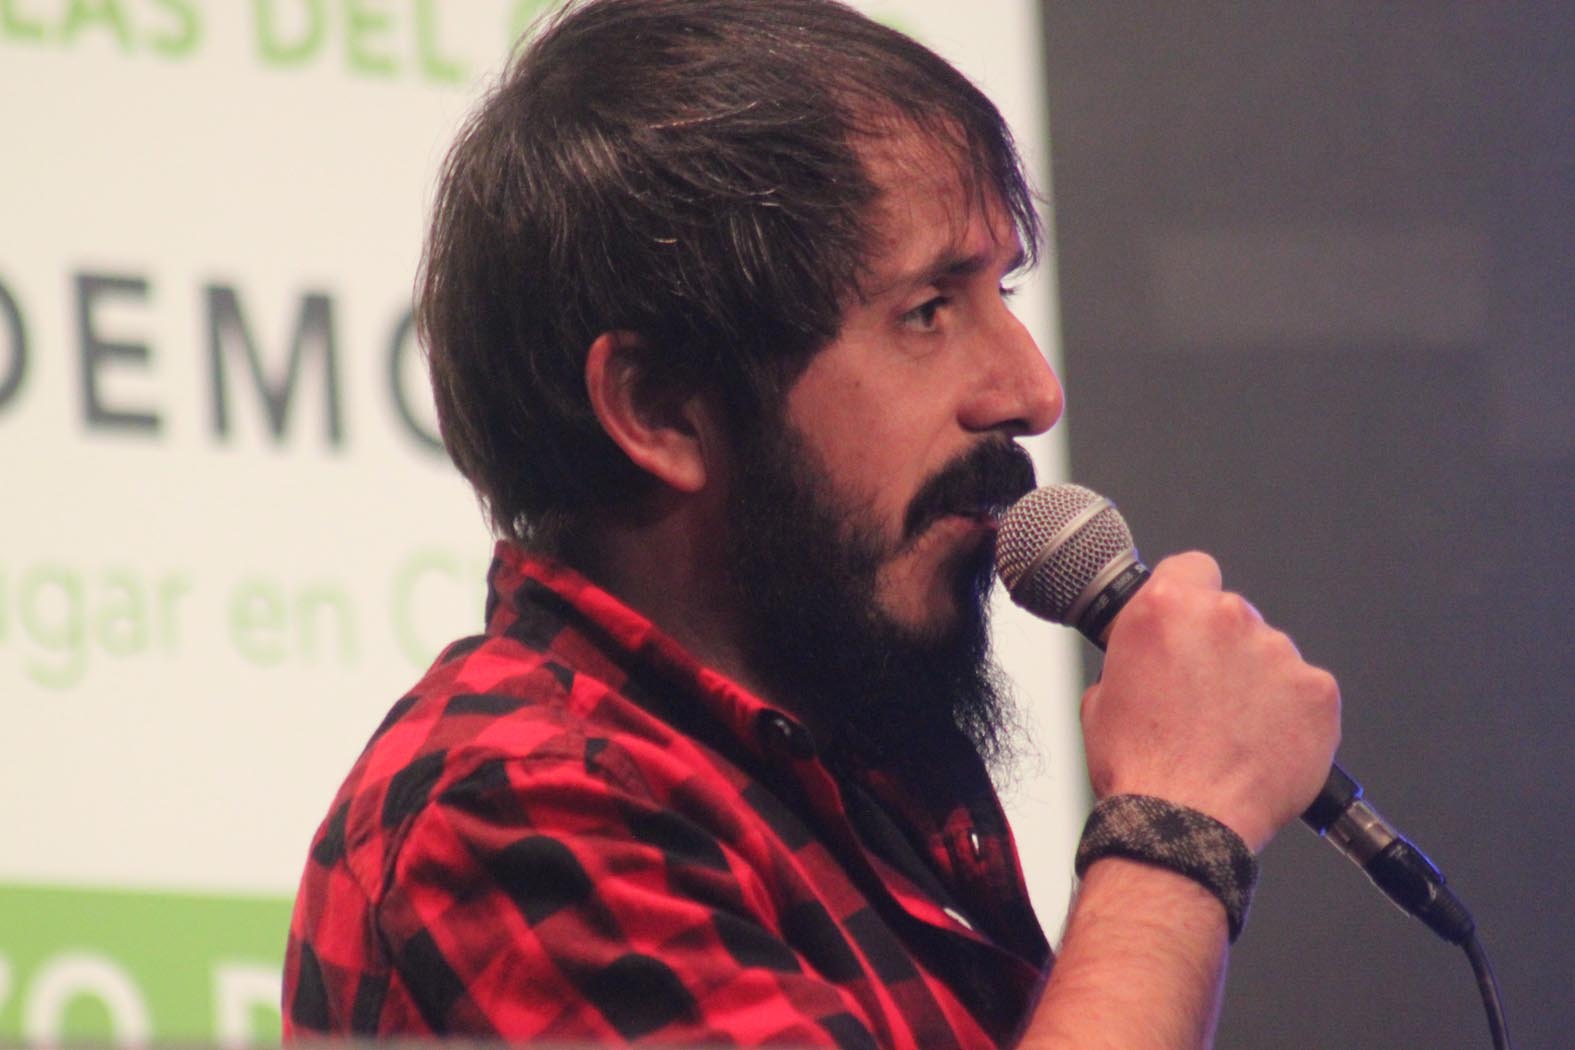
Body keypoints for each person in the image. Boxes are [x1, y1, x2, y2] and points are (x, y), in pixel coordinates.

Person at [282, 0, 1340, 1046]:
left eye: (1004, 293)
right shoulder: (516, 802)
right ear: (659, 410)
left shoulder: (845, 782)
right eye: (927, 311)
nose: (1031, 392)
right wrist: (1171, 827)